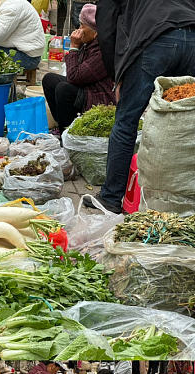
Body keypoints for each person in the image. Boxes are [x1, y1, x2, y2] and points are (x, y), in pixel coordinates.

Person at [88, 0, 195, 214]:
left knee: (126, 121)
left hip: (155, 38)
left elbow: (106, 24)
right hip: (192, 36)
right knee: (185, 121)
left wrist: (116, 75)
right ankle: (179, 202)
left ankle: (110, 197)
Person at [42, 4, 115, 132]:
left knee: (64, 89)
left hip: (99, 97)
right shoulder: (90, 44)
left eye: (82, 26)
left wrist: (74, 47)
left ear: (95, 32)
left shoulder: (103, 50)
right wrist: (79, 47)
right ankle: (61, 124)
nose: (79, 29)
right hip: (88, 87)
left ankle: (68, 131)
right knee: (49, 79)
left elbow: (74, 77)